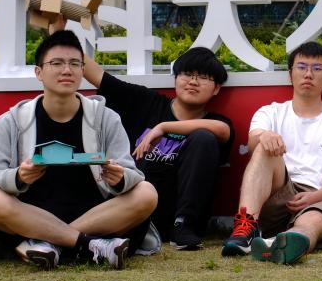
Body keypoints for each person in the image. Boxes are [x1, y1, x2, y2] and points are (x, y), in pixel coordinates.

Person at [0, 30, 158, 269]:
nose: (67, 70)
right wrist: (18, 177)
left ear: (83, 70)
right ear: (38, 72)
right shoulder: (11, 121)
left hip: (97, 215)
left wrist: (120, 178)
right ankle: (90, 245)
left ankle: (51, 244)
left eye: (75, 64)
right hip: (31, 215)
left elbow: (131, 172)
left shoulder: (106, 118)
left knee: (146, 192)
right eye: (57, 63)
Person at [79, 43, 232, 250]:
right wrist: (58, 33)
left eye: (203, 77)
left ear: (216, 88)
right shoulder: (147, 102)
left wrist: (163, 127)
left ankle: (183, 225)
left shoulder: (216, 122)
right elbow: (97, 75)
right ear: (176, 78)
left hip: (180, 218)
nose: (193, 82)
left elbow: (223, 130)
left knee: (204, 137)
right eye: (187, 74)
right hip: (136, 208)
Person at [222, 41, 322, 265]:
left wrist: (315, 197)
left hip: (320, 197)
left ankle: (285, 243)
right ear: (290, 74)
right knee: (265, 145)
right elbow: (252, 141)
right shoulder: (271, 112)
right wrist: (264, 136)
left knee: (310, 223)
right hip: (277, 192)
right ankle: (246, 228)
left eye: (317, 68)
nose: (308, 74)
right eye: (301, 67)